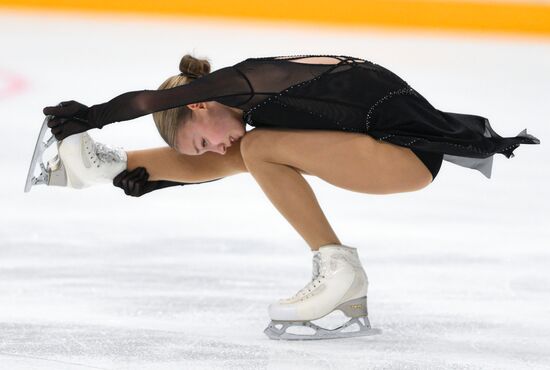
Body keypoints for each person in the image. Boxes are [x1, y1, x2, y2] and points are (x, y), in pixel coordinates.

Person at [38, 54, 540, 340]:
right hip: (387, 150)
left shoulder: (248, 80)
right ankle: (108, 165)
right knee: (253, 149)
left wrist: (90, 115)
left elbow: (150, 101)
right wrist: (152, 178)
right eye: (203, 151)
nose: (213, 148)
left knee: (256, 146)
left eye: (201, 138)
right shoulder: (249, 108)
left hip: (405, 154)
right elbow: (230, 162)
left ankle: (340, 270)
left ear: (198, 102)